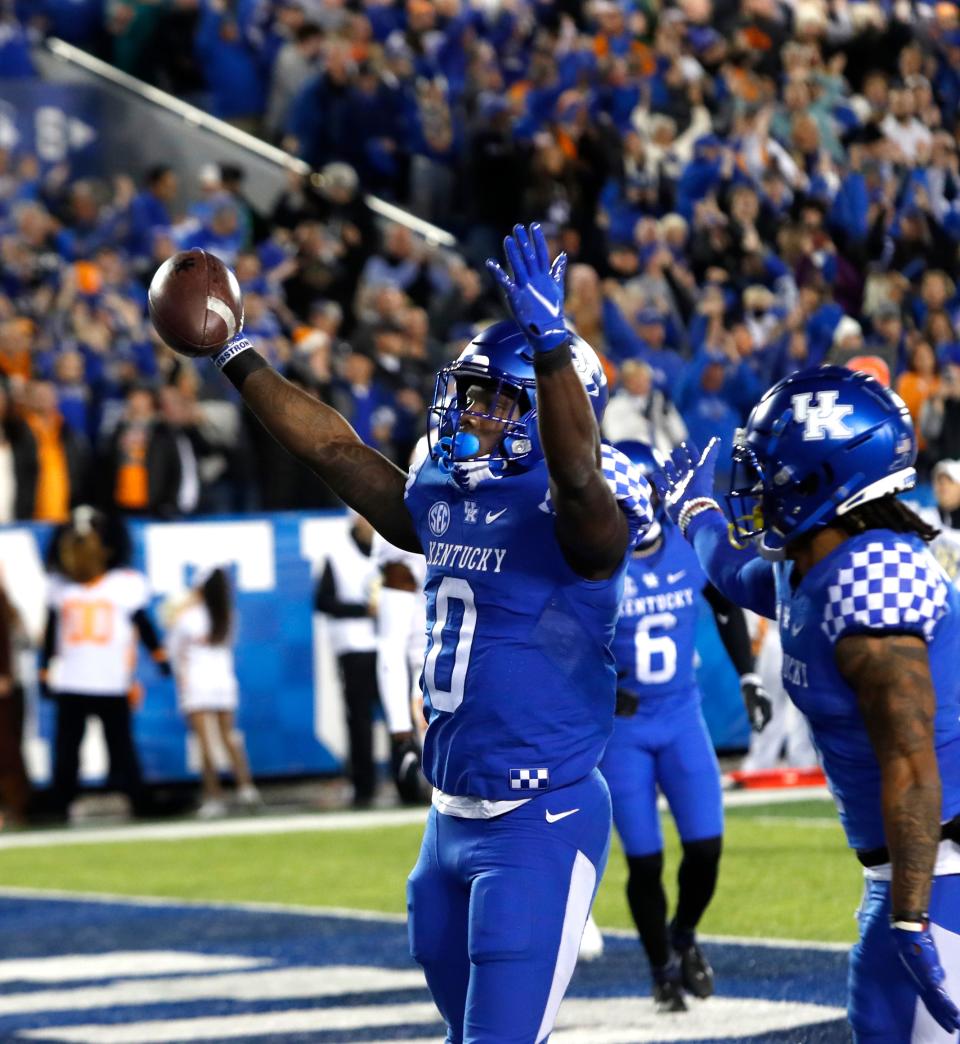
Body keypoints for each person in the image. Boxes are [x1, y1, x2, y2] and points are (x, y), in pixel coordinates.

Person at [192, 223, 652, 1041]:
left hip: (536, 823)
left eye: (492, 399)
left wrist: (550, 342)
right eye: (468, 393)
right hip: (446, 825)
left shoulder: (576, 515)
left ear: (550, 408)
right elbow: (334, 450)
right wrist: (237, 356)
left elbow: (579, 475)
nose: (470, 413)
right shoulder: (444, 493)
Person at [654, 365, 960, 1042]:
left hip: (941, 873)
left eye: (771, 469)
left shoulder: (872, 578)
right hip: (910, 874)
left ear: (822, 477)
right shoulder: (815, 561)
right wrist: (696, 512)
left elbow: (912, 763)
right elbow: (735, 571)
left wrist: (911, 916)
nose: (756, 485)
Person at [600, 440, 769, 1012]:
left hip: (681, 716)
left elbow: (726, 604)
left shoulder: (685, 547)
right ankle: (660, 968)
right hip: (624, 728)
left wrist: (748, 678)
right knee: (644, 860)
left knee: (706, 849)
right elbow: (560, 642)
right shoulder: (597, 559)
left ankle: (684, 934)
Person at [40, 507, 171, 821]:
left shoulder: (122, 584)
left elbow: (144, 623)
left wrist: (159, 655)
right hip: (73, 679)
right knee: (69, 749)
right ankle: (61, 803)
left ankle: (138, 799)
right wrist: (44, 671)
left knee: (121, 747)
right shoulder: (61, 588)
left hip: (110, 679)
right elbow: (51, 632)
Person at [167, 566, 259, 818]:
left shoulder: (188, 617)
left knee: (204, 741)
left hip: (196, 682)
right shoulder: (227, 615)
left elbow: (174, 650)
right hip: (223, 681)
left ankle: (214, 796)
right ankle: (246, 787)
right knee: (228, 736)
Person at [314, 511, 383, 808]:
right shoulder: (336, 553)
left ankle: (408, 781)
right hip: (353, 646)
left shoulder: (386, 548)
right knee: (359, 721)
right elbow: (322, 600)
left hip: (386, 644)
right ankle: (364, 787)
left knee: (398, 716)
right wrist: (362, 610)